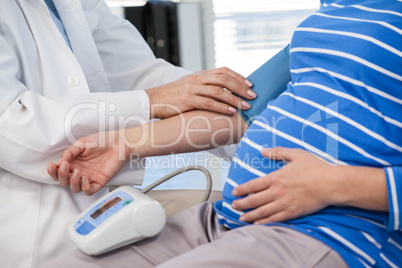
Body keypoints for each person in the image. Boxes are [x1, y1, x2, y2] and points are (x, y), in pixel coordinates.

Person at [45, 0, 402, 267]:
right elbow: (243, 110)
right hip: (227, 217)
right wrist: (126, 143)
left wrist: (333, 184)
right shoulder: (332, 15)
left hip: (334, 230)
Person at [0, 0, 289, 267]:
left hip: (100, 193)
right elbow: (13, 123)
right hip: (32, 225)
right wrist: (152, 102)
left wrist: (218, 103)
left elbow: (143, 72)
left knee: (247, 216)